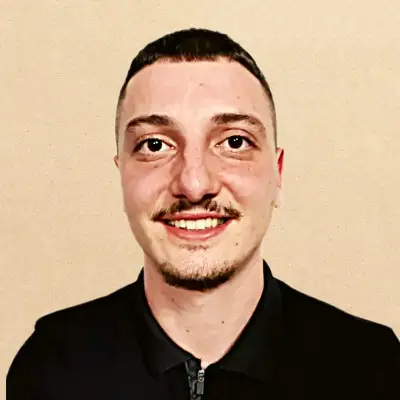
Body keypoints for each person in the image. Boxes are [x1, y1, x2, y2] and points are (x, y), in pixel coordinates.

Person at [7, 28, 399, 400]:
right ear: (122, 174)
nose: (194, 184)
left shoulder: (371, 369)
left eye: (234, 142)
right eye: (155, 145)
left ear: (277, 174)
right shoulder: (52, 366)